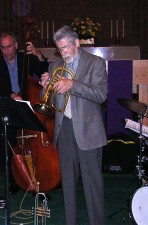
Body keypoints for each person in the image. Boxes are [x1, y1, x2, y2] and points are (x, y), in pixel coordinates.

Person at [39, 25, 108, 224]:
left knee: (92, 185)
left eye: (66, 48)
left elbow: (101, 94)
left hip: (88, 130)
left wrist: (73, 85)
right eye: (60, 49)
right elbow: (48, 99)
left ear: (77, 43)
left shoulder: (95, 63)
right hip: (65, 129)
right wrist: (46, 87)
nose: (63, 53)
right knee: (68, 185)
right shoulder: (54, 66)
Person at [0, 31, 49, 194]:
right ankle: (15, 180)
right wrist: (12, 95)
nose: (6, 51)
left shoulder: (27, 59)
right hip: (10, 105)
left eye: (9, 46)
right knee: (10, 142)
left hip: (29, 105)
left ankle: (38, 179)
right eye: (3, 47)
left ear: (16, 45)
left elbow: (45, 70)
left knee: (35, 139)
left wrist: (38, 54)